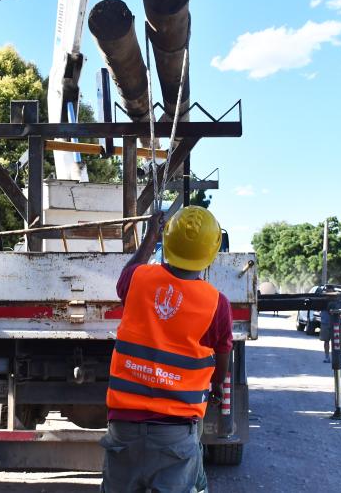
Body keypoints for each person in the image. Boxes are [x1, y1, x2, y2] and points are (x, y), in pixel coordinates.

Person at [101, 206, 232, 493]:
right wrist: (215, 387)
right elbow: (222, 357)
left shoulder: (138, 279)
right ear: (211, 252)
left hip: (124, 429)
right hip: (176, 433)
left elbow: (127, 272)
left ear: (167, 244)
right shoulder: (216, 304)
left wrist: (150, 236)